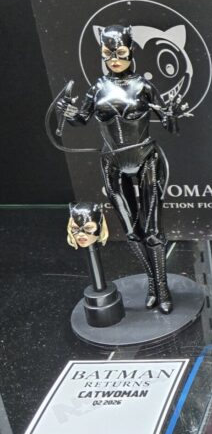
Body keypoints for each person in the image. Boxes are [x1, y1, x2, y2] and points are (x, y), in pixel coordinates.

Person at [56, 25, 187, 314]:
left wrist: (172, 114)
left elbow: (170, 125)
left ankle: (162, 288)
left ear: (131, 51)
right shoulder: (98, 87)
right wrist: (68, 111)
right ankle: (152, 283)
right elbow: (81, 119)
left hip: (146, 158)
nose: (114, 58)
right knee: (131, 230)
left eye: (120, 51)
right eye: (108, 52)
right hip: (112, 162)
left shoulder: (144, 86)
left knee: (153, 230)